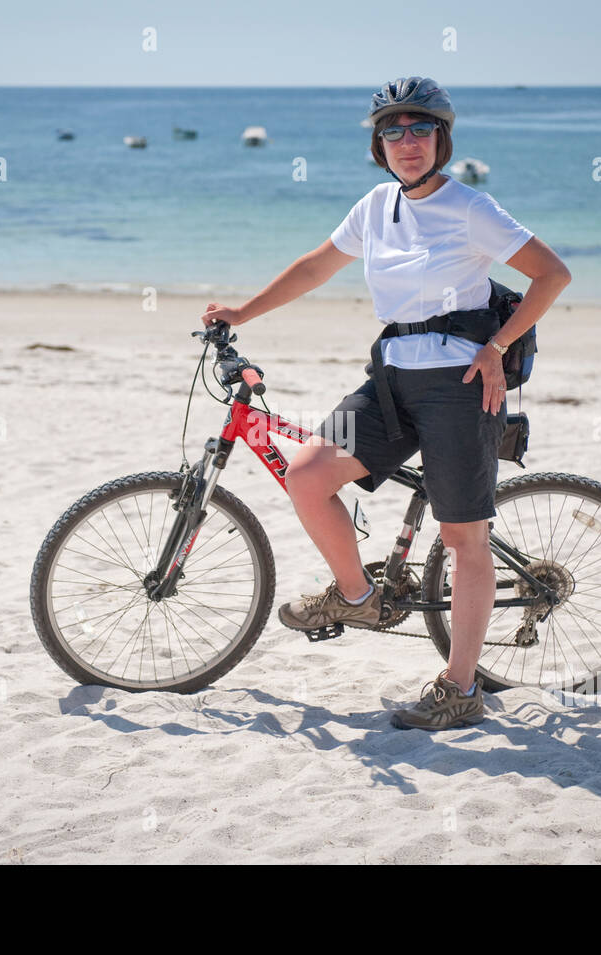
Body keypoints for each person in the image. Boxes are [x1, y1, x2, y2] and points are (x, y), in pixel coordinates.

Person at [200, 76, 570, 730]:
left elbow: (552, 273)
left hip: (461, 386)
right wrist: (244, 310)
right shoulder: (375, 207)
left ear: (441, 139)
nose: (407, 142)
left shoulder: (469, 207)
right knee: (309, 475)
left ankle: (460, 687)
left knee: (462, 539)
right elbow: (316, 266)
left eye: (420, 129)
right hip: (390, 380)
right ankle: (358, 595)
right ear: (378, 142)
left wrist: (496, 346)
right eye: (393, 130)